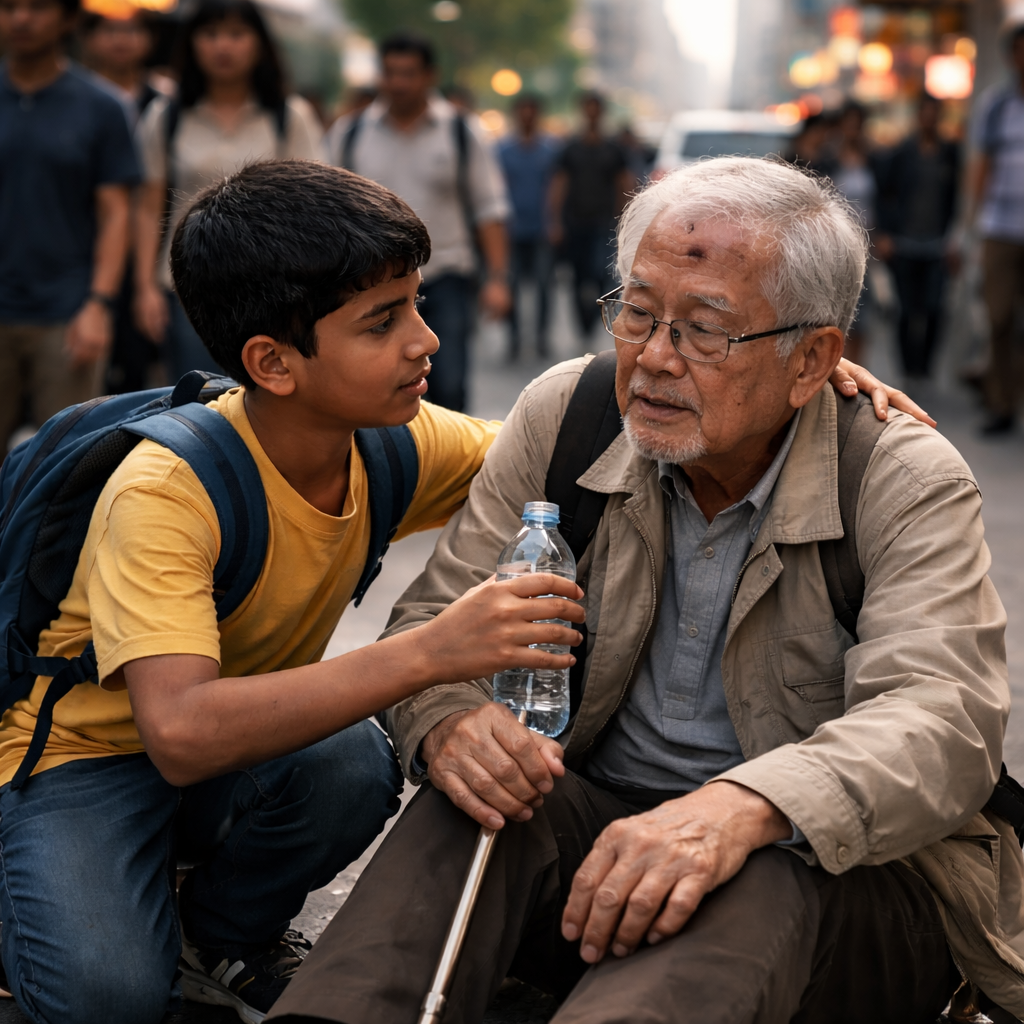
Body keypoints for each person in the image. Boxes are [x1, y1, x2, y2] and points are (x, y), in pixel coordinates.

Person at [268, 158, 1021, 1024]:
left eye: (706, 330)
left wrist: (745, 808)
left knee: (760, 867)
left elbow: (942, 720)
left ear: (813, 359)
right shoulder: (569, 414)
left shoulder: (898, 475)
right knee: (484, 800)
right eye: (637, 311)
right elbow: (437, 620)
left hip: (842, 901)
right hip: (602, 853)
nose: (654, 358)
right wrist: (449, 721)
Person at [0, 159, 588, 1024]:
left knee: (349, 761)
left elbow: (560, 439)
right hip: (84, 760)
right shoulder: (166, 490)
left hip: (231, 753)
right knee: (105, 997)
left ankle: (224, 933)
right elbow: (182, 734)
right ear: (273, 363)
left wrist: (814, 395)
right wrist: (433, 650)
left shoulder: (390, 444)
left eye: (417, 304)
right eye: (383, 321)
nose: (424, 339)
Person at [133, 0, 322, 384]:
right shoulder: (166, 116)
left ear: (258, 43)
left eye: (237, 34)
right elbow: (148, 207)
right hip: (186, 288)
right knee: (193, 402)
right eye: (210, 34)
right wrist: (145, 288)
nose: (223, 46)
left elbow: (312, 204)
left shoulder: (289, 116)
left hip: (272, 289)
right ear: (192, 43)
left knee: (265, 397)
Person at [326, 32, 511, 413]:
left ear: (429, 76)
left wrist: (497, 278)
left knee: (450, 387)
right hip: (369, 285)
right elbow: (329, 211)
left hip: (446, 279)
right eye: (390, 73)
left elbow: (488, 208)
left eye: (408, 73)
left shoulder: (460, 132)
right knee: (376, 388)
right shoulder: (351, 134)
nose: (398, 83)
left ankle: (449, 467)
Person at [0, 0, 138, 453]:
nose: (21, 18)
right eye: (8, 7)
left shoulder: (102, 107)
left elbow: (116, 212)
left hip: (67, 312)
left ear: (67, 19)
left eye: (37, 7)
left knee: (63, 465)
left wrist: (99, 303)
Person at [81, 7, 165, 395]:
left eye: (131, 30)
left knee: (139, 372)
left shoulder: (167, 103)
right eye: (110, 30)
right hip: (83, 249)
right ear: (87, 36)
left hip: (149, 253)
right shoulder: (76, 99)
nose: (121, 40)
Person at [874, 94, 961, 382]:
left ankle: (925, 365)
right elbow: (885, 194)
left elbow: (957, 198)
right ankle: (907, 367)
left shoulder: (949, 153)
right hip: (904, 244)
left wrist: (955, 238)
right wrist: (885, 233)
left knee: (935, 308)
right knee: (906, 309)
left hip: (936, 245)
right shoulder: (901, 154)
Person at [968, 12, 1024, 436]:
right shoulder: (997, 105)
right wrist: (970, 225)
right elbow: (981, 165)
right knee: (1000, 318)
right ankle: (1001, 403)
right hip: (1001, 228)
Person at [549, 91, 634, 339]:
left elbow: (623, 183)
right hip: (575, 221)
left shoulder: (613, 148)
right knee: (576, 275)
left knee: (600, 272)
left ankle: (595, 311)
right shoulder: (571, 147)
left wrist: (623, 220)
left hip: (603, 223)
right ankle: (583, 321)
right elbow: (559, 184)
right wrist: (554, 220)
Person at [497, 93, 559, 361]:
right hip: (511, 229)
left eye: (531, 110)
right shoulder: (502, 149)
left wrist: (554, 220)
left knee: (545, 285)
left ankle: (542, 337)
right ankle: (513, 338)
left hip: (541, 228)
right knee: (510, 285)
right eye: (523, 110)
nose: (527, 115)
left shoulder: (551, 149)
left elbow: (557, 187)